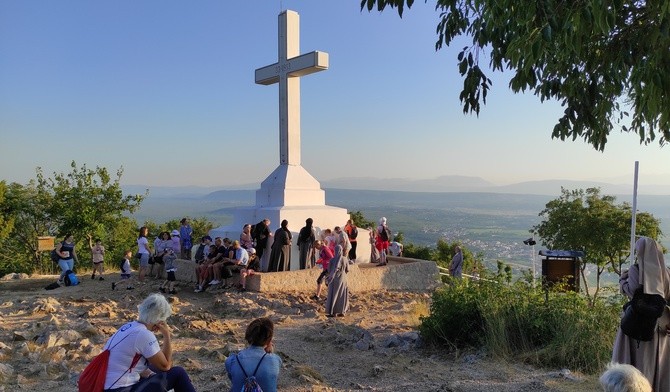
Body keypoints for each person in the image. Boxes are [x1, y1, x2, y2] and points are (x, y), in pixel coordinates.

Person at [100, 293, 196, 392]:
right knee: (178, 373)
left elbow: (130, 363)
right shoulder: (144, 334)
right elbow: (166, 366)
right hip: (121, 389)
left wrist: (150, 373)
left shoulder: (130, 326)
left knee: (152, 368)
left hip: (108, 386)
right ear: (159, 320)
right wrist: (166, 335)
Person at [612, 237, 670, 391]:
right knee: (659, 361)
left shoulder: (635, 270)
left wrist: (623, 280)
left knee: (637, 362)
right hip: (662, 324)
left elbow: (630, 291)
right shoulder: (667, 273)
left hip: (637, 325)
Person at [225, 317, 282, 392]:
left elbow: (233, 379)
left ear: (247, 337)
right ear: (269, 341)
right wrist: (270, 354)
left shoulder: (231, 361)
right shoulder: (276, 360)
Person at [324, 231, 350, 317]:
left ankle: (333, 311)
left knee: (333, 295)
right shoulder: (345, 259)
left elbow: (329, 270)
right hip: (343, 278)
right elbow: (347, 270)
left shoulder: (331, 260)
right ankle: (342, 311)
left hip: (334, 279)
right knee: (342, 295)